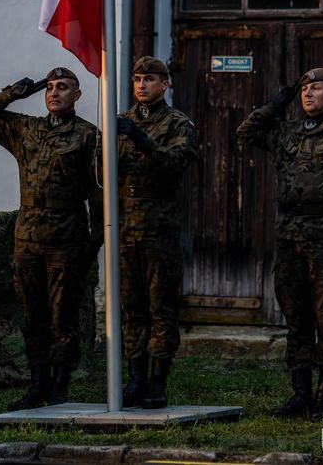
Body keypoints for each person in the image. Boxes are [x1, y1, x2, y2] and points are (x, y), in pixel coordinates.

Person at [237, 67, 323, 419]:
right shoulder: (287, 132)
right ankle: (300, 393)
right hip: (288, 235)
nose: (308, 94)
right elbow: (246, 131)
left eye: (316, 88)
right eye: (303, 89)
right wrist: (275, 103)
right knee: (296, 316)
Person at [0, 67, 102, 410]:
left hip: (66, 235)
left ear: (77, 95)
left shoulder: (89, 136)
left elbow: (99, 192)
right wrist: (14, 93)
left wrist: (96, 238)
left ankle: (59, 384)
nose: (55, 93)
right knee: (33, 314)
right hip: (27, 235)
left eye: (63, 88)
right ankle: (36, 383)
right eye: (51, 88)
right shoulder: (26, 129)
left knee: (63, 315)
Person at [116, 56, 198, 410]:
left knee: (160, 306)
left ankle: (157, 381)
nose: (141, 85)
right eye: (137, 79)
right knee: (131, 306)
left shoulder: (177, 123)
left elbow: (177, 162)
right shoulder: (122, 121)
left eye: (149, 79)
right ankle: (134, 378)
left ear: (165, 84)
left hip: (159, 226)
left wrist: (142, 140)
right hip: (127, 225)